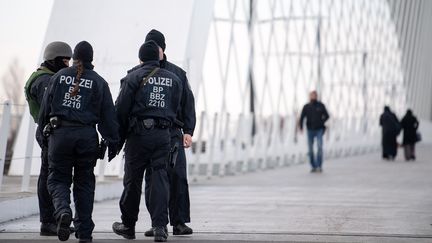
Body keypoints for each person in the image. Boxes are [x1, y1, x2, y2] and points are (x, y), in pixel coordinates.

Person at [38, 41, 119, 242]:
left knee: (57, 179)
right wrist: (113, 142)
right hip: (87, 138)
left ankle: (63, 211)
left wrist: (42, 136)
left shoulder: (58, 77)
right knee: (84, 184)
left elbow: (44, 112)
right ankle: (84, 233)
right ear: (92, 59)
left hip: (60, 136)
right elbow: (108, 117)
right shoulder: (99, 82)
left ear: (74, 57)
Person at [112, 41, 183, 242]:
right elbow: (175, 107)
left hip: (138, 135)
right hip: (163, 136)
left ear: (141, 58)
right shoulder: (174, 79)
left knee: (133, 181)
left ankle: (128, 225)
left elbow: (121, 110)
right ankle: (160, 227)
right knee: (160, 179)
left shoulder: (132, 77)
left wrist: (116, 138)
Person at [142, 29, 196, 236]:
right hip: (148, 133)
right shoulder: (140, 73)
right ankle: (158, 223)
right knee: (153, 180)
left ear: (163, 49)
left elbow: (187, 104)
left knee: (177, 177)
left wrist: (188, 131)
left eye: (156, 46)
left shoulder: (177, 73)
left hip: (173, 132)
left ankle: (179, 222)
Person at [24, 41, 73, 236]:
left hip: (53, 133)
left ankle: (56, 219)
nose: (68, 65)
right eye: (64, 61)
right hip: (50, 132)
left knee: (53, 176)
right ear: (53, 60)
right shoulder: (44, 80)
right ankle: (48, 221)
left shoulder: (49, 77)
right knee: (48, 178)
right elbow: (52, 108)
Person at [299, 91, 329, 173]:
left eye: (314, 95)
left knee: (319, 147)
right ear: (309, 96)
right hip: (310, 130)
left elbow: (327, 116)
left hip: (319, 129)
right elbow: (302, 117)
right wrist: (301, 127)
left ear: (316, 96)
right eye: (312, 95)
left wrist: (322, 122)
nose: (313, 97)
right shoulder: (306, 106)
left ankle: (319, 165)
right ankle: (313, 166)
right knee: (310, 149)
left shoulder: (321, 105)